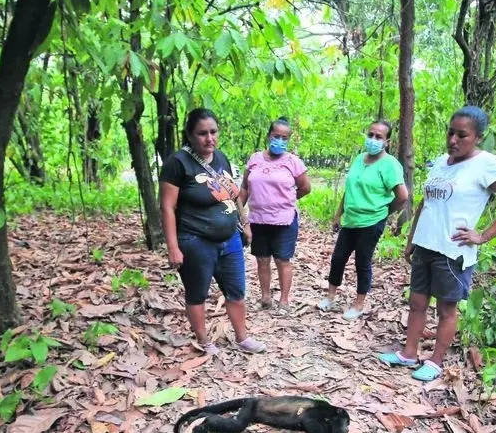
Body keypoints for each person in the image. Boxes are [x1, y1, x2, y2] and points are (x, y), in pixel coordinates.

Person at [378, 105, 496, 381]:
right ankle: (409, 353)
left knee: (446, 308)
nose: (453, 140)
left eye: (462, 135)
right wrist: (412, 239)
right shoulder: (440, 162)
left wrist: (482, 236)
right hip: (426, 244)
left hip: (452, 251)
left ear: (479, 137)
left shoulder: (488, 164)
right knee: (417, 301)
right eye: (450, 133)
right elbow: (426, 202)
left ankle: (435, 362)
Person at [160, 108, 266, 355]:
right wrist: (173, 248)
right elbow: (167, 207)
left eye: (213, 132)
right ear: (189, 135)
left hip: (229, 239)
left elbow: (233, 194)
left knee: (236, 291)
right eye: (202, 134)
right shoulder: (177, 163)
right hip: (196, 240)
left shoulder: (220, 157)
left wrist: (245, 223)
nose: (209, 139)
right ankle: (205, 341)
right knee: (197, 294)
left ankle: (242, 338)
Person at [318, 120, 409, 319]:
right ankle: (330, 297)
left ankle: (358, 304)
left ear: (387, 142)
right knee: (338, 258)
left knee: (362, 261)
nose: (373, 140)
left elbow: (403, 196)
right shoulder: (359, 159)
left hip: (371, 222)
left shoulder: (390, 165)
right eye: (371, 135)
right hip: (350, 220)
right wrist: (338, 214)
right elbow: (350, 189)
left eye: (379, 137)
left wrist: (384, 212)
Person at [238, 117, 311, 313]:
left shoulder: (293, 161)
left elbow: (305, 187)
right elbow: (245, 187)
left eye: (284, 138)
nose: (279, 140)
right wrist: (238, 213)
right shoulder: (254, 159)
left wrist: (285, 199)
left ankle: (284, 301)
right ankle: (265, 298)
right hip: (258, 219)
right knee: (262, 259)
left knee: (282, 260)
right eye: (276, 136)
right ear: (268, 136)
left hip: (284, 220)